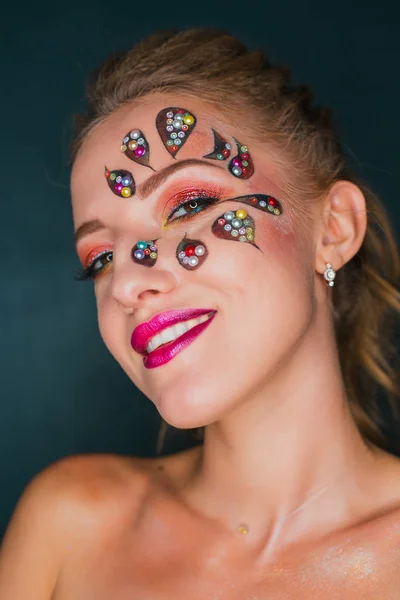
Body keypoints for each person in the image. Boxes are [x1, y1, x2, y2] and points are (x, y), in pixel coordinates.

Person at [1, 27, 400, 599]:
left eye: (189, 204)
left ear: (334, 229)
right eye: (100, 259)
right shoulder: (69, 526)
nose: (130, 283)